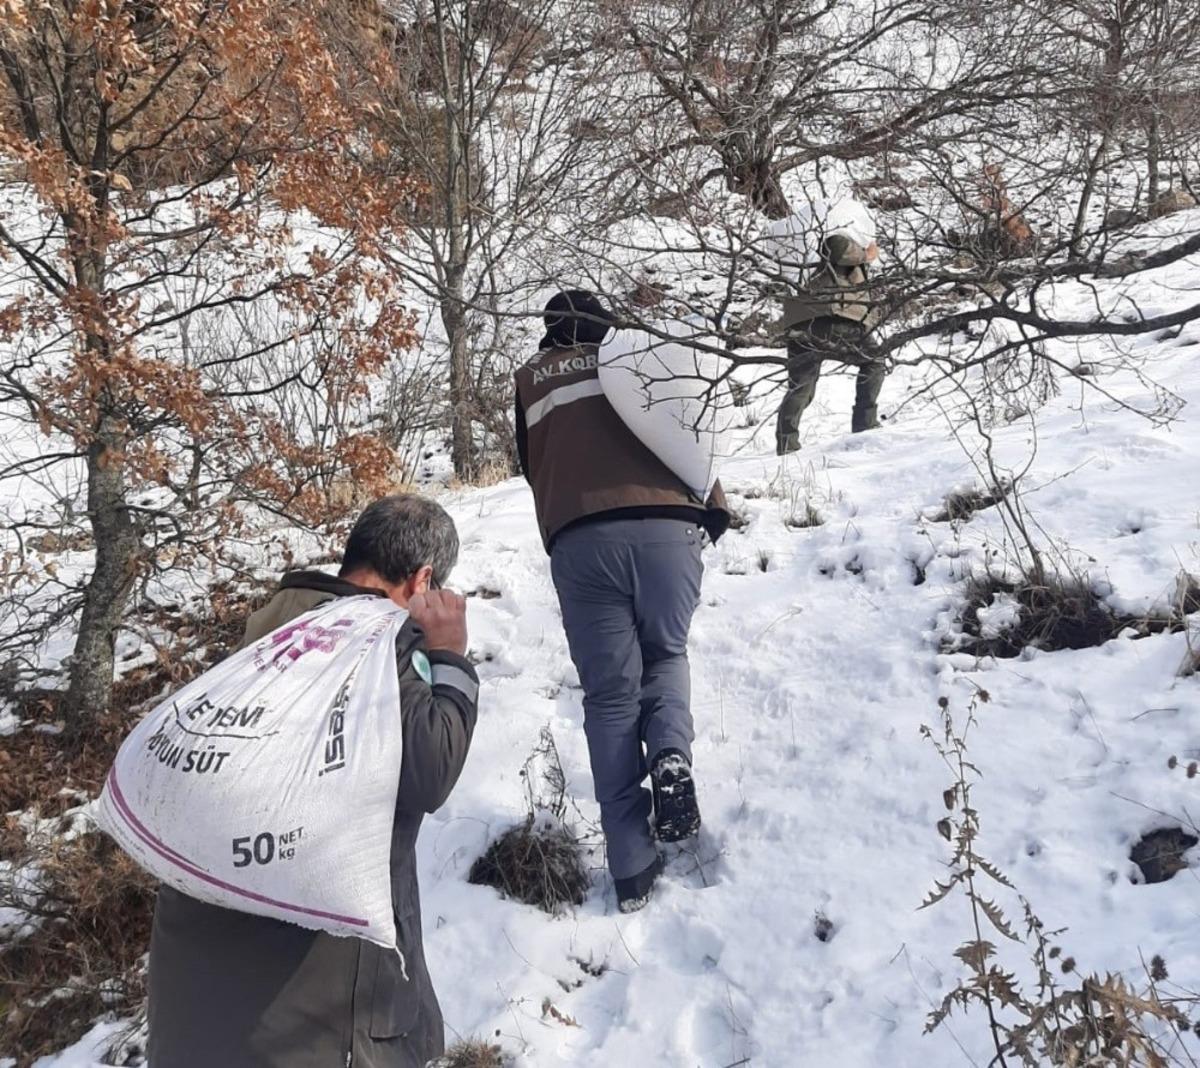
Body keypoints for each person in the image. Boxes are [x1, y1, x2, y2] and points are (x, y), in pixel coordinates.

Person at [147, 494, 478, 1068]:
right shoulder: (374, 644)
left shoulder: (264, 635)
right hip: (313, 1026)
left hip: (191, 1007)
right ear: (423, 579)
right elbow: (430, 772)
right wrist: (449, 657)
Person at [514, 289, 731, 913]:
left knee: (610, 697)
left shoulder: (532, 380)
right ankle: (669, 753)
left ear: (549, 331)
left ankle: (631, 868)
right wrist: (714, 505)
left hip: (582, 541)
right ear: (607, 324)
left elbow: (533, 466)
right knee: (665, 656)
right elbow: (691, 431)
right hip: (669, 529)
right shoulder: (641, 357)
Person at [776, 227, 885, 452]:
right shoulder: (837, 233)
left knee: (801, 385)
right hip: (834, 315)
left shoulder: (798, 243)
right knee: (874, 360)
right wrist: (868, 254)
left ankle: (786, 443)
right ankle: (865, 424)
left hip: (800, 321)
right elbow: (836, 246)